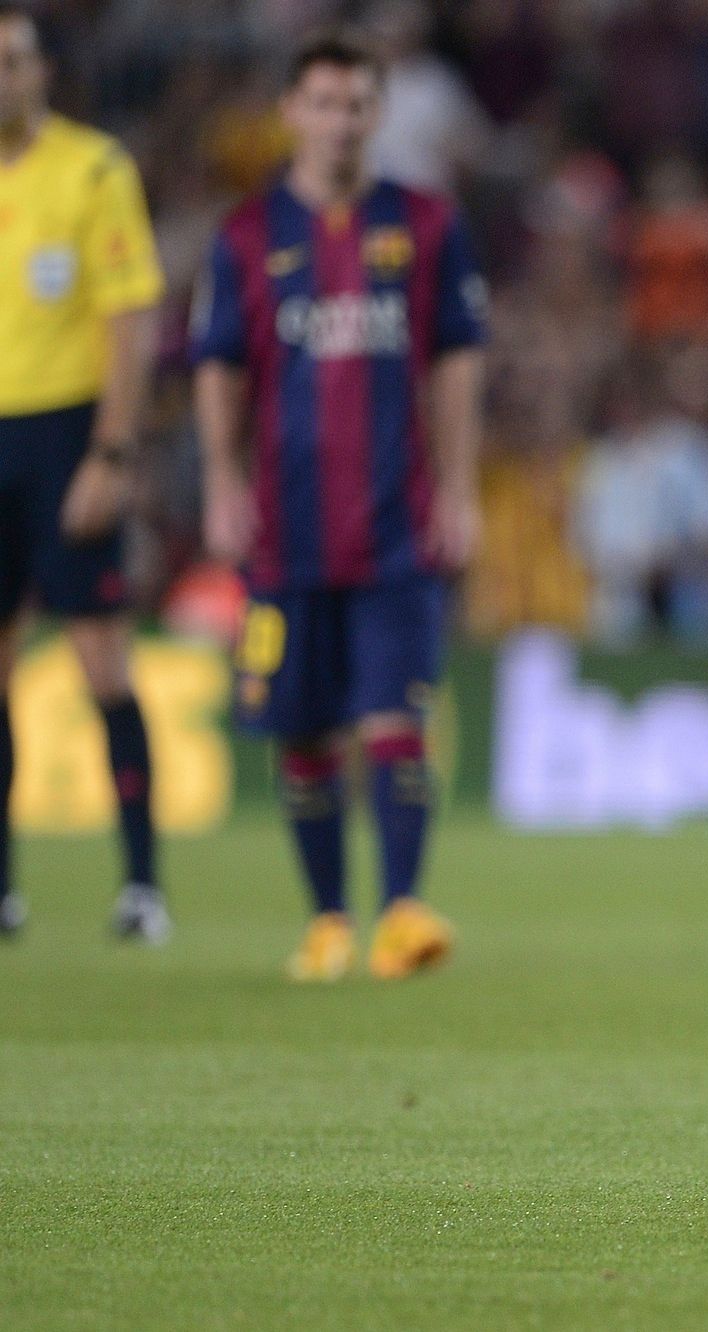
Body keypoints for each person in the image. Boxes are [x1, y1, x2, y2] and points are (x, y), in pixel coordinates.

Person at [192, 31, 487, 981]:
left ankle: (402, 911)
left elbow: (456, 360)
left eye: (357, 103)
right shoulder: (245, 235)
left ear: (380, 112)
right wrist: (224, 483)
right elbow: (219, 371)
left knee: (393, 716)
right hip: (285, 529)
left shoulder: (429, 225)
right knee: (303, 730)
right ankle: (327, 921)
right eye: (323, 102)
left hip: (397, 522)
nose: (340, 120)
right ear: (289, 112)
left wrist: (461, 484)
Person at [0, 4, 168, 942]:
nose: (1, 78)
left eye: (14, 61)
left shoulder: (93, 168)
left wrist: (112, 450)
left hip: (66, 434)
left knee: (101, 657)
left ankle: (142, 885)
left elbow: (131, 321)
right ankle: (2, 891)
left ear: (40, 73)